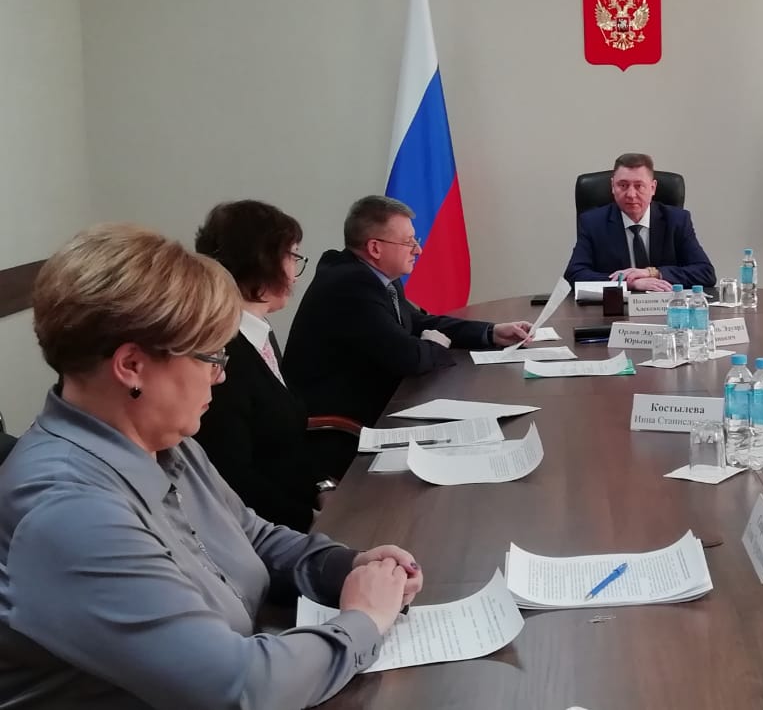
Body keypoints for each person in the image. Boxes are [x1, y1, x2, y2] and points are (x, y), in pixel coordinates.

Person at [0, 224, 423, 709]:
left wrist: (345, 566)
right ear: (132, 365)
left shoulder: (165, 442)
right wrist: (364, 620)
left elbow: (253, 537)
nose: (221, 377)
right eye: (210, 357)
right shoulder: (69, 513)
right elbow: (240, 687)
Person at [284, 195, 532, 428]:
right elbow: (410, 357)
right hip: (344, 424)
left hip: (377, 402)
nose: (418, 250)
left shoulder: (376, 277)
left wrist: (490, 333)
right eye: (408, 242)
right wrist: (436, 344)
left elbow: (416, 322)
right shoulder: (351, 285)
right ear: (375, 248)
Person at [195, 200, 351, 531]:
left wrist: (322, 487)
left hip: (300, 505)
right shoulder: (222, 353)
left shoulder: (258, 332)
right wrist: (312, 520)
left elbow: (287, 438)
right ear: (262, 261)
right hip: (270, 531)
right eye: (293, 256)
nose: (295, 271)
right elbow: (234, 479)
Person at [564, 153, 716, 291]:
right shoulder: (593, 223)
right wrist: (628, 283)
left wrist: (652, 273)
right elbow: (575, 274)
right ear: (612, 186)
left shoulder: (677, 220)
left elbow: (705, 273)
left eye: (639, 186)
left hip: (664, 307)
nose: (631, 194)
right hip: (614, 308)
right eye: (623, 185)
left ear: (653, 188)